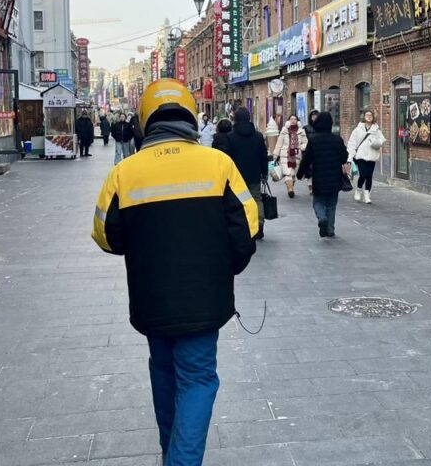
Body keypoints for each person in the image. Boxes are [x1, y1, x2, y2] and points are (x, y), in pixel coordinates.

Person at [92, 79, 257, 466]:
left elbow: (105, 235)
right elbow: (248, 229)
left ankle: (171, 449)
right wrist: (225, 270)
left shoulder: (125, 173)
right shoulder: (218, 164)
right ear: (189, 115)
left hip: (153, 303)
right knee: (198, 379)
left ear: (144, 121)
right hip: (204, 303)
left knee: (164, 375)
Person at [296, 111, 348, 239]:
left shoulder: (313, 140)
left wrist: (300, 173)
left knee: (318, 201)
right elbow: (344, 157)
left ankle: (322, 218)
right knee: (331, 203)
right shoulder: (337, 139)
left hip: (319, 176)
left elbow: (306, 159)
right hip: (334, 177)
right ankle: (330, 229)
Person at [227, 107, 268, 239]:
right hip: (254, 174)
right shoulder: (258, 136)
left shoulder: (230, 137)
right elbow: (263, 156)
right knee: (256, 199)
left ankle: (245, 226)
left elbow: (228, 158)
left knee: (239, 201)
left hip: (236, 177)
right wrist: (264, 172)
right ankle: (259, 224)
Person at [347, 109, 386, 204]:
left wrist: (375, 143)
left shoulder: (376, 130)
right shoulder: (357, 129)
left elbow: (382, 140)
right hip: (360, 155)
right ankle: (358, 190)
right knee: (363, 174)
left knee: (369, 176)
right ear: (364, 117)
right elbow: (352, 143)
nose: (369, 117)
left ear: (373, 118)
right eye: (367, 115)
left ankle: (367, 194)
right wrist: (350, 157)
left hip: (372, 155)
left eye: (371, 115)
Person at [272, 114, 307, 198]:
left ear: (297, 121)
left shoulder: (301, 131)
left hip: (296, 155)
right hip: (285, 155)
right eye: (291, 119)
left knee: (293, 174)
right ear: (288, 120)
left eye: (295, 119)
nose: (293, 120)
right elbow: (279, 143)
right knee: (288, 173)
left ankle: (291, 188)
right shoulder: (284, 131)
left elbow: (306, 143)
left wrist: (301, 147)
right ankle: (290, 190)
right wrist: (275, 155)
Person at [304, 110, 320, 195]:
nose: (314, 117)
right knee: (310, 168)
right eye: (313, 116)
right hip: (309, 150)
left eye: (316, 116)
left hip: (319, 150)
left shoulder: (321, 127)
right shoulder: (306, 128)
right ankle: (310, 186)